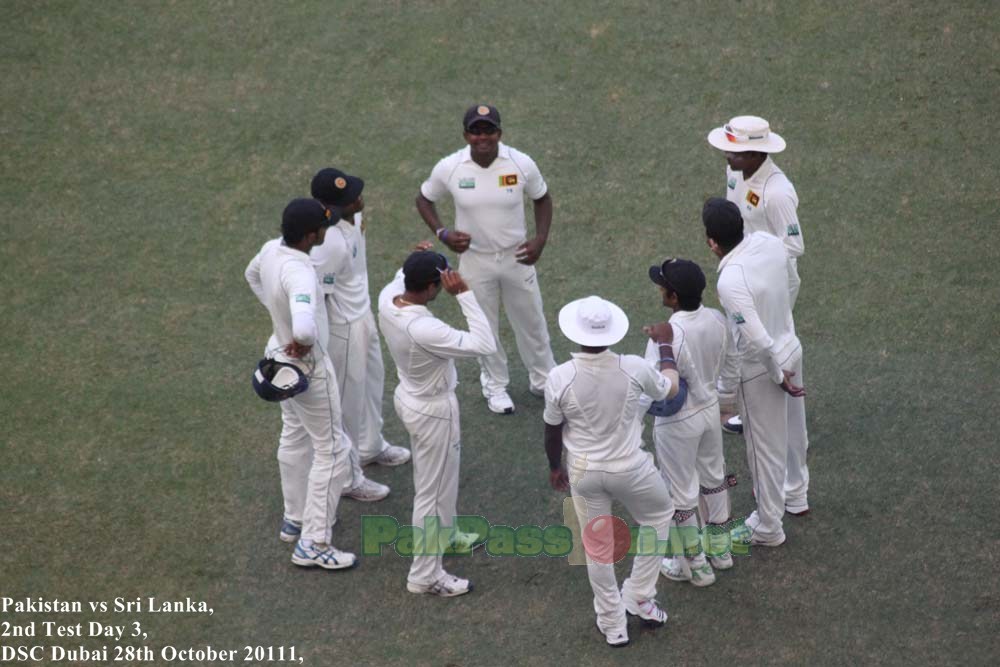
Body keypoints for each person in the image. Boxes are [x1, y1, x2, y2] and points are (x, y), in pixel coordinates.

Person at [544, 296, 680, 647]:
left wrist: (554, 467)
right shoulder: (633, 367)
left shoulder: (559, 376)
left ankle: (612, 623)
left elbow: (552, 429)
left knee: (597, 547)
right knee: (660, 514)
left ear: (576, 334)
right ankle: (637, 595)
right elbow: (670, 389)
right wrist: (665, 345)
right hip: (631, 468)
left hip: (584, 470)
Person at [415, 104, 556, 414]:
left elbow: (542, 198)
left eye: (488, 130)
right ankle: (495, 387)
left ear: (499, 133)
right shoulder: (450, 167)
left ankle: (544, 380)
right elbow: (424, 198)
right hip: (475, 262)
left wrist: (540, 239)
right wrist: (443, 233)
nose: (482, 137)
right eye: (475, 131)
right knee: (484, 327)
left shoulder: (520, 164)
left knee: (531, 321)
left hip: (517, 257)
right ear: (466, 134)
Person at [244, 198, 356, 570]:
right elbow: (306, 326)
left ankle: (295, 518)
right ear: (311, 235)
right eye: (324, 226)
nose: (328, 230)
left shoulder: (269, 250)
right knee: (333, 449)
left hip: (277, 353)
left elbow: (251, 274)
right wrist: (301, 338)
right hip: (305, 365)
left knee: (293, 433)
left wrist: (281, 320)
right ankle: (314, 542)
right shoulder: (302, 272)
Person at [377, 249, 496, 597]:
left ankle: (448, 535)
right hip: (432, 412)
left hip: (413, 398)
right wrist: (465, 295)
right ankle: (425, 575)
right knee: (431, 492)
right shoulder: (425, 328)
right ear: (431, 286)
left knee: (443, 481)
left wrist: (417, 257)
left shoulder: (388, 299)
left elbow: (402, 274)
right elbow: (484, 344)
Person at [702, 198, 809, 549]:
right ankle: (796, 493)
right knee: (794, 431)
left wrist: (777, 376)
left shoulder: (730, 280)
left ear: (712, 242)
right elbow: (792, 281)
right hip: (791, 346)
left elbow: (758, 341)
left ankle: (767, 526)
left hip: (763, 370)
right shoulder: (769, 243)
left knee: (764, 451)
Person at [309, 167, 411, 504]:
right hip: (342, 328)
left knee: (373, 383)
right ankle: (350, 477)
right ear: (330, 207)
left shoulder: (354, 217)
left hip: (362, 313)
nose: (358, 198)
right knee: (347, 403)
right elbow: (317, 296)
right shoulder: (327, 243)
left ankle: (370, 446)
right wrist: (320, 340)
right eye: (349, 197)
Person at [644, 258, 738, 587]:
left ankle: (696, 566)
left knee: (680, 493)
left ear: (672, 297)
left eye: (662, 285)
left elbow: (653, 386)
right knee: (714, 478)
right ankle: (721, 551)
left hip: (678, 423)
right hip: (710, 411)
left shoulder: (665, 336)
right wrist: (722, 399)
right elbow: (731, 363)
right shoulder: (716, 318)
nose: (658, 287)